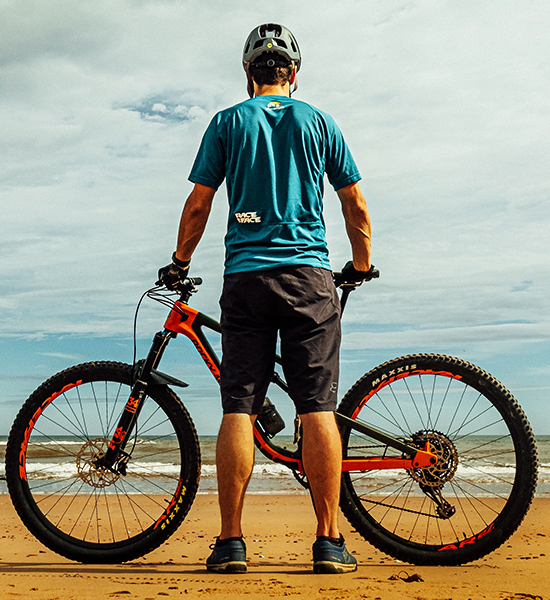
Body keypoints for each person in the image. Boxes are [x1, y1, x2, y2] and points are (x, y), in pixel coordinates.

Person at [158, 23, 374, 574]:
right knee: (317, 407)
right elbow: (355, 204)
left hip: (247, 280)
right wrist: (362, 263)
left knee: (238, 407)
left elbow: (199, 204)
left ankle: (230, 541)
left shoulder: (228, 122)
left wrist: (180, 263)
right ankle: (328, 540)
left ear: (248, 73)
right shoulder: (319, 121)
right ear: (293, 75)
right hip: (308, 277)